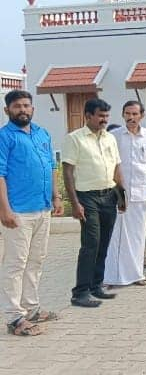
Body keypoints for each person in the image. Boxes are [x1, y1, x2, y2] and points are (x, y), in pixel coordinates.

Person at [0, 90, 63, 336]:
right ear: (7, 110)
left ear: (33, 109)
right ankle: (15, 318)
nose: (23, 110)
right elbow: (0, 175)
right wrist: (5, 210)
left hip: (42, 208)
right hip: (18, 212)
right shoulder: (4, 137)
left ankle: (32, 308)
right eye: (17, 106)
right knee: (16, 264)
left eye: (26, 105)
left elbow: (51, 167)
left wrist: (56, 197)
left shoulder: (42, 134)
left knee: (36, 260)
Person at [62, 98, 124, 308]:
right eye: (100, 116)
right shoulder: (74, 139)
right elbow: (68, 172)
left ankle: (96, 286)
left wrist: (121, 194)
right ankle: (80, 292)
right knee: (91, 244)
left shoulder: (110, 138)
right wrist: (75, 203)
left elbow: (116, 167)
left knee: (104, 242)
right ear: (87, 116)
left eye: (106, 116)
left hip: (109, 196)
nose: (104, 120)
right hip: (87, 198)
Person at [104, 101, 146, 288]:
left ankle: (136, 274)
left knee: (138, 235)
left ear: (142, 116)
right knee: (116, 235)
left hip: (142, 192)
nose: (131, 117)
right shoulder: (114, 136)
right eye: (127, 113)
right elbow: (107, 163)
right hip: (119, 193)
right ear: (122, 115)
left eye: (135, 114)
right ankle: (111, 277)